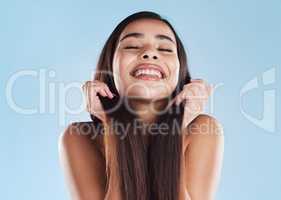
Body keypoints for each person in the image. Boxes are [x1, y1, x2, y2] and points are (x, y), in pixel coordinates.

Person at [58, 11, 224, 200]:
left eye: (165, 49)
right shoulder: (80, 137)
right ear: (110, 66)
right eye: (132, 46)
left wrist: (177, 129)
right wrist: (113, 127)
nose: (150, 53)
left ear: (180, 71)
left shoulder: (202, 129)